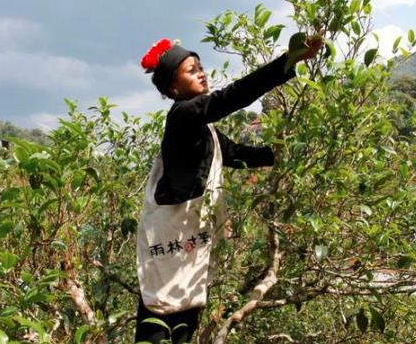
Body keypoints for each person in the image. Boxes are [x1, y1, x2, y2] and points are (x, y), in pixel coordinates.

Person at [135, 35, 323, 343]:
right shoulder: (183, 115)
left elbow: (234, 154)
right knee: (160, 315)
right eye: (191, 70)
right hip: (176, 231)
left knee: (184, 306)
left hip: (187, 234)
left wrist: (278, 153)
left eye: (200, 67)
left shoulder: (203, 127)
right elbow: (234, 96)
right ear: (173, 88)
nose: (201, 73)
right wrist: (287, 61)